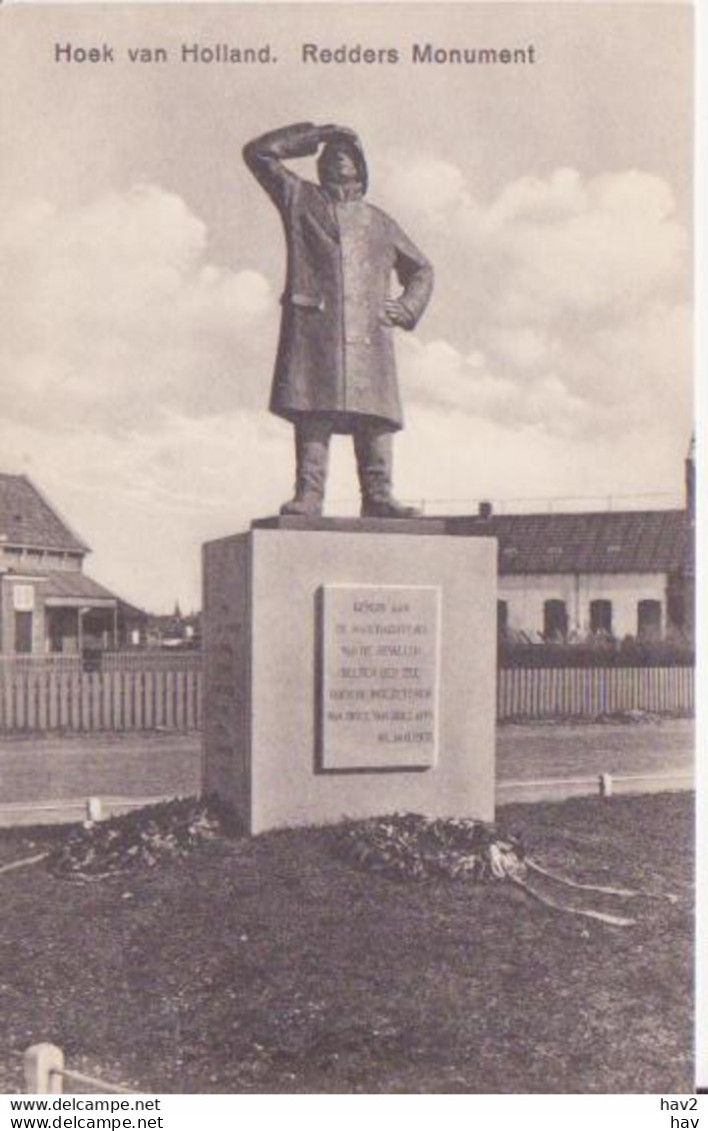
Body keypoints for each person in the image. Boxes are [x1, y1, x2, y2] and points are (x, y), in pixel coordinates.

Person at [243, 121, 434, 518]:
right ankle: (309, 493)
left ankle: (379, 495)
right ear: (321, 163)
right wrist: (313, 136)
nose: (341, 159)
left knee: (376, 420)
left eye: (349, 154)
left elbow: (422, 269)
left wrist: (408, 306)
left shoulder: (380, 222)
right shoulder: (300, 198)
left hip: (370, 335)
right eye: (333, 154)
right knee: (314, 410)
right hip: (318, 330)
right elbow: (258, 153)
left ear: (362, 168)